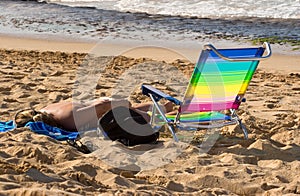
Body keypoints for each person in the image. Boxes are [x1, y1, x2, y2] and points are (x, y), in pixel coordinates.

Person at [14, 98, 174, 132]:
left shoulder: (67, 120)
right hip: (102, 107)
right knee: (160, 110)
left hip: (108, 109)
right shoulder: (47, 108)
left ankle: (176, 109)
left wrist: (124, 103)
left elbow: (101, 107)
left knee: (158, 116)